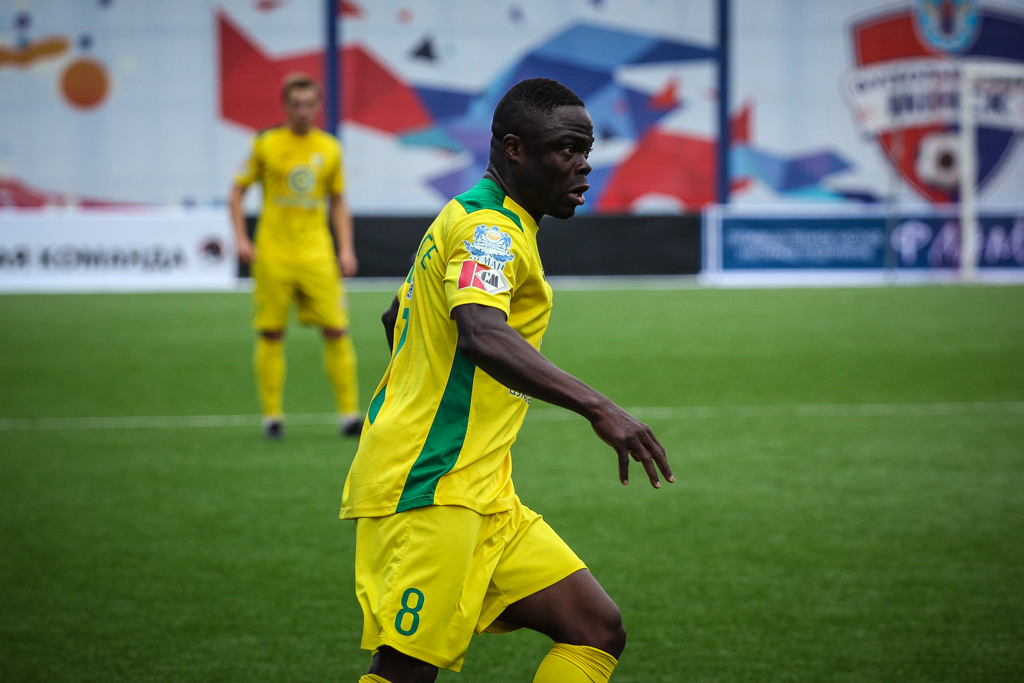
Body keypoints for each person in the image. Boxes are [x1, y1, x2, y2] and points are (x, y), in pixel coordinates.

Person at [339, 77, 673, 683]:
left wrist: (428, 382)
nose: (583, 166)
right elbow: (480, 331)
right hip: (433, 481)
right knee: (406, 671)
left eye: (586, 150)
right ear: (514, 148)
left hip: (484, 488)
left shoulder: (479, 217)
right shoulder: (489, 230)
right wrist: (600, 408)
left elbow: (396, 316)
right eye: (566, 149)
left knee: (595, 628)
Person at [229, 73, 361, 439]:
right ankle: (272, 416)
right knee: (271, 333)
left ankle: (349, 414)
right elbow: (236, 193)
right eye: (297, 104)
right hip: (273, 255)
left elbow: (338, 201)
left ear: (318, 106)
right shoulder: (265, 144)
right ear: (285, 106)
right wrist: (241, 239)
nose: (303, 110)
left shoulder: (330, 148)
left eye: (309, 104)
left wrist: (346, 248)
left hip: (317, 254)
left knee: (337, 328)